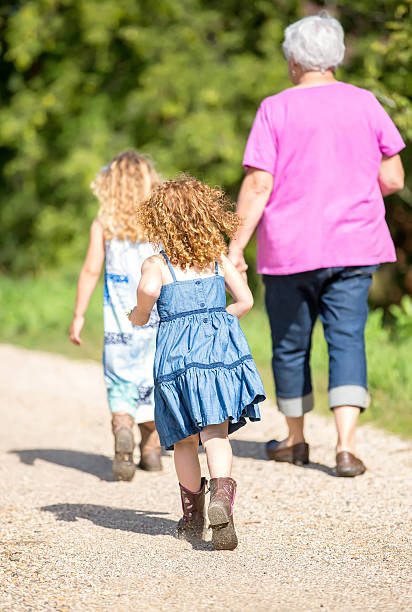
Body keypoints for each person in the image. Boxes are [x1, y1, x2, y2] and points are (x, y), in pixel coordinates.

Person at [228, 12, 405, 477]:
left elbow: (259, 184)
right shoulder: (366, 103)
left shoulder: (275, 108)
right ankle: (345, 447)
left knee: (290, 345)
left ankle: (296, 439)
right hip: (355, 245)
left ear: (293, 61)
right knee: (347, 340)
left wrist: (234, 249)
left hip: (290, 250)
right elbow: (392, 176)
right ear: (338, 58)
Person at [128, 177, 265, 550]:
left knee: (185, 442)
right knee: (215, 435)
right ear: (206, 215)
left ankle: (192, 520)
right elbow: (246, 300)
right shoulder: (217, 256)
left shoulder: (157, 263)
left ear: (159, 221)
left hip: (175, 360)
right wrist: (219, 322)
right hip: (216, 357)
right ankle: (223, 500)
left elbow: (149, 293)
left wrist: (139, 314)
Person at [70, 151, 163, 480]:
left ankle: (122, 426)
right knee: (151, 381)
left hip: (117, 325)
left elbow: (91, 269)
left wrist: (79, 315)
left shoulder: (104, 223)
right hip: (154, 321)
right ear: (150, 182)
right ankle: (151, 447)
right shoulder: (159, 222)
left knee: (120, 381)